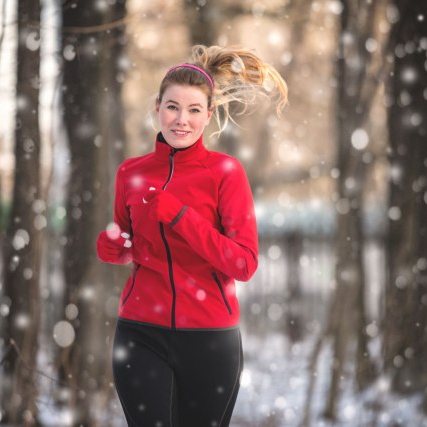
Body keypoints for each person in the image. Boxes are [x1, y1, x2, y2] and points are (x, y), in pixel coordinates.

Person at [96, 45, 288, 427]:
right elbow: (128, 246)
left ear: (208, 115)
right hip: (140, 332)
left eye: (194, 110)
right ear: (157, 107)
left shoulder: (225, 173)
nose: (181, 119)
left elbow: (244, 263)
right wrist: (113, 247)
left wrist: (181, 217)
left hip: (210, 340)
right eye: (172, 107)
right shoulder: (130, 174)